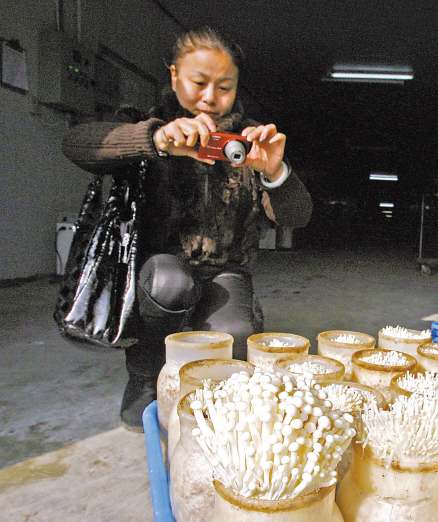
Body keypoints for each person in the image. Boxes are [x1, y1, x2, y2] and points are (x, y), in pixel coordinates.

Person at [61, 26, 312, 432]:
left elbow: (298, 216)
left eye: (224, 87)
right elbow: (76, 144)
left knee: (234, 333)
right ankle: (145, 375)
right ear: (175, 75)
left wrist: (274, 171)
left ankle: (208, 390)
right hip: (158, 271)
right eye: (199, 82)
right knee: (170, 281)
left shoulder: (249, 140)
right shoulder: (145, 123)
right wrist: (155, 140)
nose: (210, 97)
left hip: (225, 269)